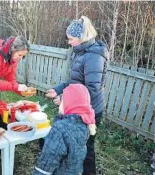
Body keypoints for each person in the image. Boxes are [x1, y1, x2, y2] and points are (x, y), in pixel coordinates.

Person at [45, 16, 109, 175]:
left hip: (90, 110)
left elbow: (91, 89)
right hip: (77, 109)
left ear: (81, 38)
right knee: (73, 146)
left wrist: (65, 100)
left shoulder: (94, 56)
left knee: (86, 148)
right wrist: (58, 89)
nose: (68, 42)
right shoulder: (80, 53)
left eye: (71, 39)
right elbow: (74, 81)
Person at [33, 84, 96, 175]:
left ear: (69, 103)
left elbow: (46, 164)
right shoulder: (86, 124)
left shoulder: (59, 129)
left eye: (63, 99)